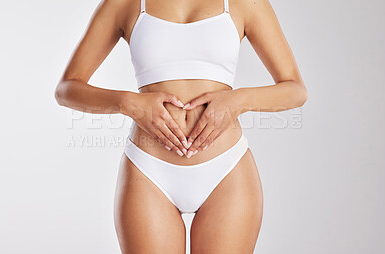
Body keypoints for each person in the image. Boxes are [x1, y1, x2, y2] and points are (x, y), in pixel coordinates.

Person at [55, 0, 308, 252]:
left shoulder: (244, 3)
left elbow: (295, 89)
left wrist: (239, 101)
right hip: (149, 170)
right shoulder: (125, 3)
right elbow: (67, 88)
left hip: (226, 170)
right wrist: (129, 102)